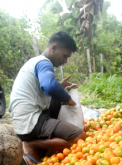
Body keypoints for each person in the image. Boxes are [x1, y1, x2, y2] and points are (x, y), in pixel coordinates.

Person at [9, 32, 87, 165]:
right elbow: (49, 86)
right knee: (81, 137)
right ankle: (32, 145)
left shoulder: (35, 62)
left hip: (22, 119)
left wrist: (60, 86)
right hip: (30, 122)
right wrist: (68, 99)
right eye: (65, 56)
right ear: (54, 48)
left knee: (57, 96)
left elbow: (47, 87)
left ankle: (45, 137)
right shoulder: (43, 63)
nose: (65, 61)